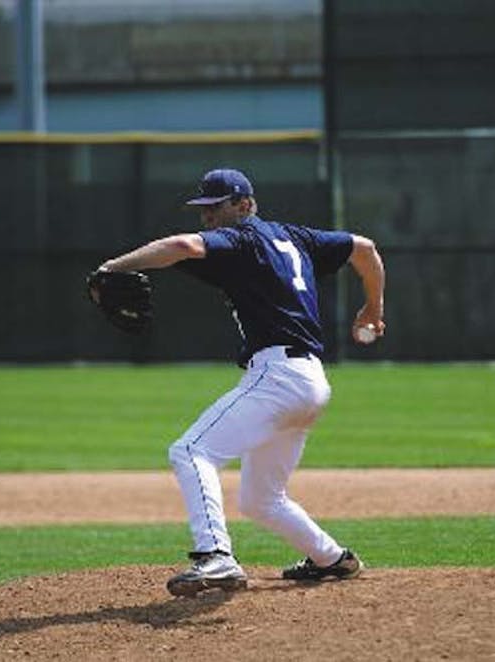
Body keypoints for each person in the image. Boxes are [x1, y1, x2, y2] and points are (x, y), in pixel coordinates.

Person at [94, 168, 386, 597]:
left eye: (217, 207)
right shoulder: (295, 237)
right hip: (310, 381)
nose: (209, 217)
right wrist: (373, 308)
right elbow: (365, 248)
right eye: (204, 209)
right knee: (260, 499)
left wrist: (110, 267)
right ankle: (332, 558)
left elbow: (180, 246)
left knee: (191, 450)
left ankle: (216, 556)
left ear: (245, 205)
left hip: (279, 376)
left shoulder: (243, 239)